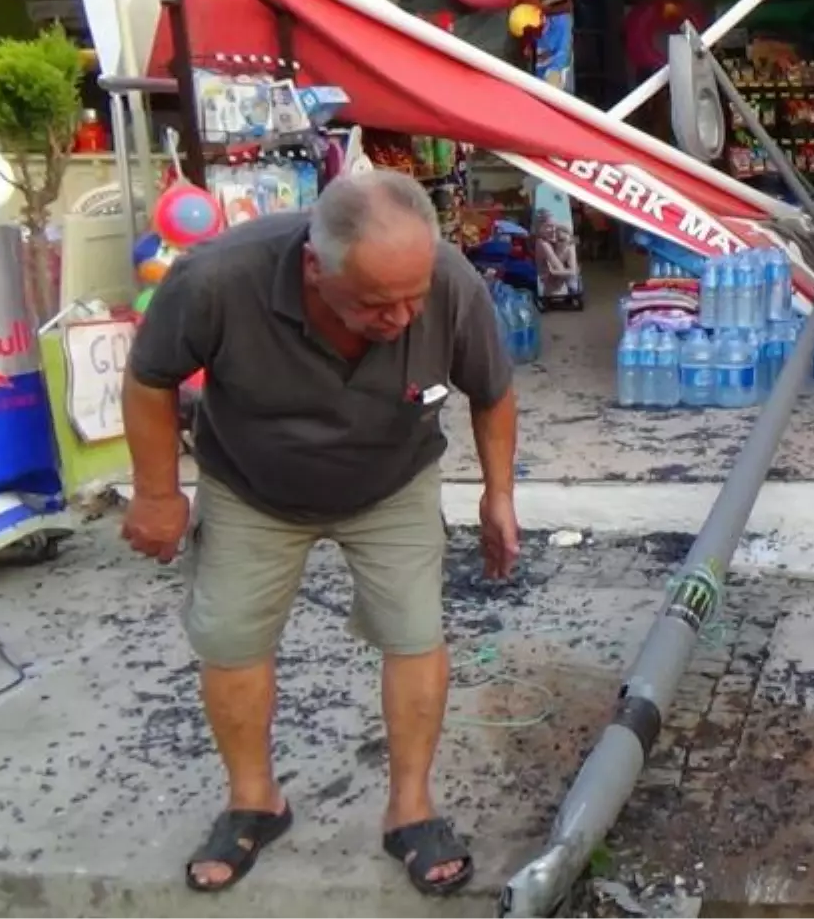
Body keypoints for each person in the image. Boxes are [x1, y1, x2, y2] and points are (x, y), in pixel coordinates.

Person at [121, 171, 519, 897]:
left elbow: (491, 392)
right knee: (231, 637)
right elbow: (150, 377)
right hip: (252, 485)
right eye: (375, 304)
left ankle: (411, 809)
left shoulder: (452, 281)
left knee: (414, 629)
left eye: (413, 299)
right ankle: (254, 801)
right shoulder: (217, 278)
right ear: (315, 266)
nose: (401, 319)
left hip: (391, 481)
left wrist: (499, 496)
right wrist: (156, 493)